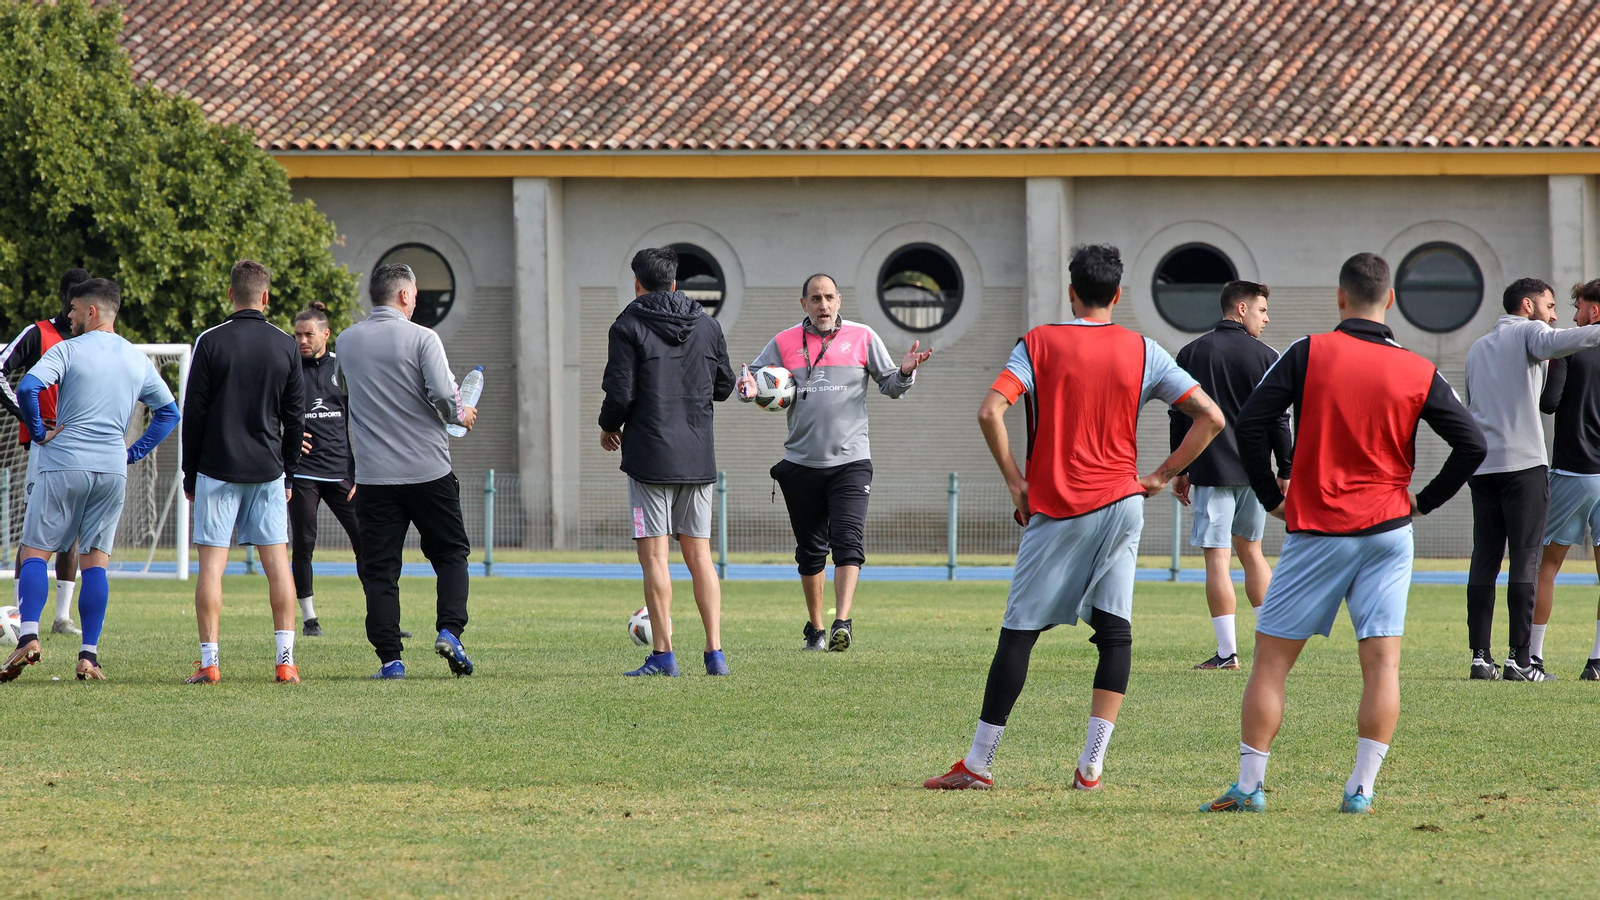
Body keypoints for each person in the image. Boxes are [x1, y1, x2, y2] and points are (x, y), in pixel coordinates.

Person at [924, 244, 1225, 792]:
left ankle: (978, 763)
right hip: (1123, 504)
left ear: (1070, 292)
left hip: (1060, 506)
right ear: (1116, 294)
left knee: (1019, 631)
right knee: (1114, 633)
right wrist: (1159, 476)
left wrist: (1017, 481)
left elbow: (990, 410)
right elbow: (1211, 416)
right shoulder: (1143, 350)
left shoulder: (1039, 343)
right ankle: (1091, 767)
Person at [1200, 253, 1485, 815]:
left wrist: (1270, 496)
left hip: (1319, 529)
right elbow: (1473, 444)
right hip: (1389, 530)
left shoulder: (1308, 352)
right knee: (1382, 666)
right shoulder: (1417, 368)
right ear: (1392, 301)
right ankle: (1360, 790)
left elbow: (1253, 423)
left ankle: (1250, 786)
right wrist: (1422, 503)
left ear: (1339, 297)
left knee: (1271, 662)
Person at [735, 273, 933, 652]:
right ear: (804, 304)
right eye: (815, 299)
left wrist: (905, 371)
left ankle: (843, 621)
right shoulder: (784, 341)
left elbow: (890, 385)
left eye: (828, 298)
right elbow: (752, 382)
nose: (822, 305)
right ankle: (816, 628)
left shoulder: (863, 336)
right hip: (801, 462)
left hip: (851, 461)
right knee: (810, 552)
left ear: (839, 300)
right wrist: (746, 389)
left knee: (848, 542)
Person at [0, 278, 178, 682]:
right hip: (111, 470)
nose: (70, 316)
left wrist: (39, 431)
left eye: (75, 310)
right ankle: (89, 656)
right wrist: (132, 451)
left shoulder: (67, 348)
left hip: (64, 462)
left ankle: (29, 636)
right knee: (95, 561)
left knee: (34, 552)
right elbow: (169, 413)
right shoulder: (136, 359)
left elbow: (28, 385)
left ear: (92, 311)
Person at [335, 262, 478, 680]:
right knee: (450, 554)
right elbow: (443, 397)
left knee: (380, 568)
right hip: (429, 470)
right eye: (414, 294)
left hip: (375, 477)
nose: (415, 301)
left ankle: (390, 659)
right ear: (403, 296)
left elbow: (345, 389)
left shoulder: (345, 340)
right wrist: (462, 414)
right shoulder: (423, 338)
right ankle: (450, 631)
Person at [600, 247, 736, 677]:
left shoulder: (628, 325)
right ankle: (715, 654)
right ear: (675, 283)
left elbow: (620, 394)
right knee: (700, 556)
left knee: (655, 557)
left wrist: (609, 426)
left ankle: (663, 655)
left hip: (649, 459)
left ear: (637, 284)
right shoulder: (709, 325)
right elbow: (724, 387)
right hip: (698, 457)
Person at [1463, 278, 1600, 681]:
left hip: (1482, 467)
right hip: (1523, 466)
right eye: (1551, 305)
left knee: (1484, 561)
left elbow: (1472, 401)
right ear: (1528, 305)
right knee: (1527, 559)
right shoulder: (1532, 332)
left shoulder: (1476, 347)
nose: (1555, 314)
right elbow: (1563, 342)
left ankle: (1480, 657)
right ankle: (1521, 660)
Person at [181, 260, 306, 685]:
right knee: (279, 568)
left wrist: (189, 472)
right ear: (266, 297)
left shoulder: (210, 341)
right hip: (268, 471)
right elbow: (296, 417)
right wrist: (289, 474)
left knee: (211, 570)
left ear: (231, 294)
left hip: (217, 469)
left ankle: (210, 662)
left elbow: (193, 414)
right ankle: (285, 661)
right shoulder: (286, 345)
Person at [1170, 281, 1293, 669]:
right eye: (1262, 311)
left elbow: (1180, 415)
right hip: (1255, 476)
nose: (1267, 318)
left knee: (1217, 560)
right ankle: (1273, 649)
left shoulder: (1191, 352)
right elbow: (1279, 418)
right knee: (1252, 554)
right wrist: (1285, 468)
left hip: (1211, 471)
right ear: (1241, 309)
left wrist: (1181, 467)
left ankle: (1227, 654)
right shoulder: (1268, 356)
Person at [0, 268, 92, 636]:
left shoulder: (96, 341)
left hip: (85, 445)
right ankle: (24, 616)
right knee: (35, 530)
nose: (77, 309)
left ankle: (63, 616)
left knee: (74, 531)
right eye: (72, 299)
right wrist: (29, 418)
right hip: (46, 444)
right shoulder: (39, 333)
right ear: (63, 298)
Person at [1534, 279, 1600, 681]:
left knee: (1546, 565)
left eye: (1577, 309)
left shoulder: (1571, 348)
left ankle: (1534, 657)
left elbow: (1548, 403)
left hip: (1574, 471)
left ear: (1594, 311)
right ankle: (1597, 662)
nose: (1571, 317)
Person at [289, 301, 362, 638]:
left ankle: (381, 612)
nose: (302, 340)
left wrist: (360, 471)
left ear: (326, 334)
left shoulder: (342, 368)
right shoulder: (288, 368)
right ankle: (309, 618)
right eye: (298, 335)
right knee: (304, 543)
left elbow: (361, 419)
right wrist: (283, 438)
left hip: (344, 474)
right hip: (303, 473)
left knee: (368, 541)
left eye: (309, 334)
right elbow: (269, 413)